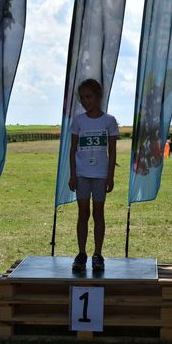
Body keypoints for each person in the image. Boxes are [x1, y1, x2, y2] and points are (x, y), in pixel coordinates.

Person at [69, 79, 119, 272]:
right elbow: (73, 150)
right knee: (83, 213)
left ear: (98, 97)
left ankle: (98, 255)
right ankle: (81, 254)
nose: (85, 101)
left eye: (88, 97)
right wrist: (73, 175)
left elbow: (112, 152)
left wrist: (110, 176)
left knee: (98, 213)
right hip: (82, 175)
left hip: (100, 176)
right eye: (82, 98)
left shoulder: (109, 121)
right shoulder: (78, 121)